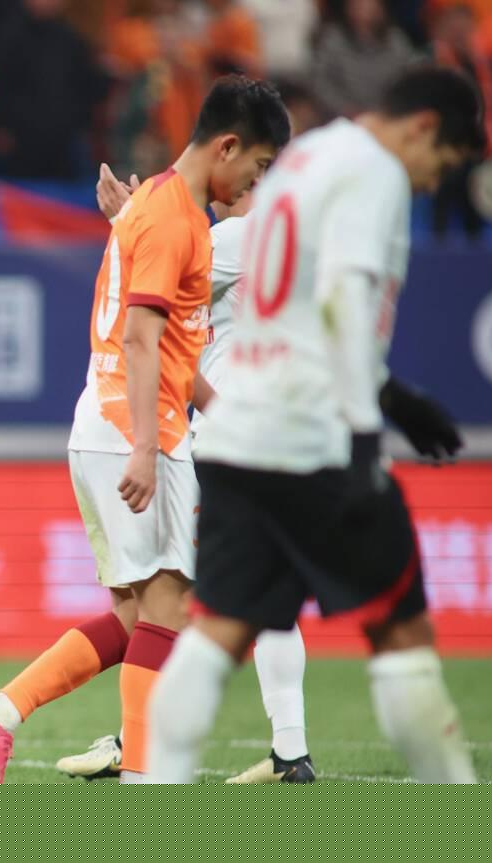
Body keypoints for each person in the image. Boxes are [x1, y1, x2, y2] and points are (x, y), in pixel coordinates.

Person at [146, 65, 481, 784]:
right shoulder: (375, 173)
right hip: (311, 432)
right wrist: (366, 432)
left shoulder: (307, 161)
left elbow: (299, 308)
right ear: (422, 128)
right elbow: (343, 298)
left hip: (238, 434)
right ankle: (459, 809)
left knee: (218, 631)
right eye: (443, 162)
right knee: (401, 628)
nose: (432, 183)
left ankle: (158, 791)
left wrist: (391, 393)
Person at [0, 76, 289, 783]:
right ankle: (142, 777)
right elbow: (140, 340)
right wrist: (143, 445)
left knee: (145, 615)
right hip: (133, 430)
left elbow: (175, 349)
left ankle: (1, 714)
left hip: (118, 425)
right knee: (166, 608)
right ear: (227, 146)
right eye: (258, 167)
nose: (255, 185)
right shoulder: (172, 220)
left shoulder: (158, 208)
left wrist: (224, 416)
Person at [56, 165, 316, 784]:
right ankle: (285, 750)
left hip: (232, 436)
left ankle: (137, 743)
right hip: (278, 430)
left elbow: (154, 292)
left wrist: (130, 221)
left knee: (160, 596)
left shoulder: (237, 238)